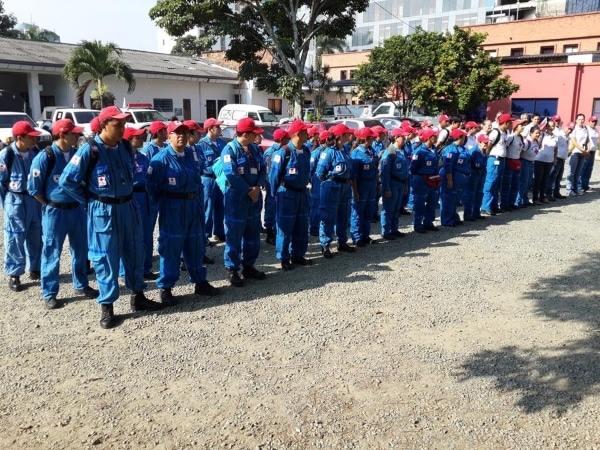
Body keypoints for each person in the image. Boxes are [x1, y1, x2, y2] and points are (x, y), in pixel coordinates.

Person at [59, 106, 163, 329]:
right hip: (103, 212)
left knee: (135, 252)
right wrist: (89, 201)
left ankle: (138, 296)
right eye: (118, 125)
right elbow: (67, 181)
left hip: (128, 207)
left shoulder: (125, 146)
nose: (122, 129)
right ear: (104, 125)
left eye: (124, 124)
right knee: (106, 259)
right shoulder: (90, 149)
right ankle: (107, 307)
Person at [27, 119, 99, 309]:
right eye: (73, 133)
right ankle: (49, 293)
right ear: (62, 135)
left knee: (81, 250)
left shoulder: (76, 155)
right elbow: (34, 189)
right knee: (52, 252)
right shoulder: (45, 157)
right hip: (55, 212)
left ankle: (81, 284)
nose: (77, 136)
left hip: (76, 210)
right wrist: (51, 204)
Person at [146, 121, 219, 305]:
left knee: (195, 246)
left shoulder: (191, 155)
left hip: (193, 207)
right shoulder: (160, 160)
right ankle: (166, 288)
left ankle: (199, 281)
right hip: (173, 209)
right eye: (177, 133)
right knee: (170, 248)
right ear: (168, 136)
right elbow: (151, 189)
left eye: (185, 133)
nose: (182, 136)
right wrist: (166, 205)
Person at [221, 118, 267, 287]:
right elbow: (231, 174)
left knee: (253, 232)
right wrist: (249, 191)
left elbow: (263, 168)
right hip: (237, 197)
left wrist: (258, 186)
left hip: (254, 196)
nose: (257, 136)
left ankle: (249, 265)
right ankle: (232, 269)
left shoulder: (255, 149)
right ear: (246, 134)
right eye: (254, 133)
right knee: (234, 232)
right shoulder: (230, 150)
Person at [0, 122, 43, 292]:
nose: (35, 139)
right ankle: (15, 274)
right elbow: (1, 183)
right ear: (20, 138)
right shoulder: (6, 155)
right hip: (15, 202)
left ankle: (36, 268)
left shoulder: (36, 153)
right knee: (15, 238)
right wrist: (8, 205)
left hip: (34, 201)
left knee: (36, 235)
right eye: (31, 136)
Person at [268, 120, 312, 270]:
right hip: (286, 194)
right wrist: (274, 195)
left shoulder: (306, 151)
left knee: (301, 226)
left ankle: (298, 255)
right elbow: (273, 176)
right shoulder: (283, 152)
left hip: (302, 194)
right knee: (285, 228)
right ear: (298, 134)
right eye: (306, 133)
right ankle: (284, 258)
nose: (308, 135)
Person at [121, 126, 158, 279]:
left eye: (142, 136)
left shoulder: (143, 157)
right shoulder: (123, 157)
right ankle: (125, 272)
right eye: (138, 137)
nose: (142, 139)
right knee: (129, 235)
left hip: (145, 197)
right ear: (129, 140)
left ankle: (146, 268)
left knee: (147, 234)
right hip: (131, 196)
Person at [315, 123, 357, 257]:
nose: (350, 135)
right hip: (332, 186)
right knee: (328, 216)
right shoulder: (329, 152)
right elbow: (320, 173)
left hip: (344, 187)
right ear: (342, 135)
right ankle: (325, 245)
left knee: (343, 215)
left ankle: (342, 242)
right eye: (347, 133)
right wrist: (330, 182)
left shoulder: (344, 149)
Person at [198, 118, 227, 242]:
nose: (220, 129)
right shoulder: (201, 144)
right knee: (207, 208)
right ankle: (205, 236)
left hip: (221, 179)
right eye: (218, 127)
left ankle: (219, 232)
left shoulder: (222, 143)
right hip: (208, 179)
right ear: (210, 129)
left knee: (221, 206)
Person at [350, 127, 379, 246]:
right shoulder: (356, 153)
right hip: (361, 184)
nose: (373, 139)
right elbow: (353, 176)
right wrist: (355, 191)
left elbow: (376, 169)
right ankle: (356, 237)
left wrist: (377, 184)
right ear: (367, 139)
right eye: (372, 137)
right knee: (357, 211)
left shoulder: (372, 151)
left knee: (368, 211)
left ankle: (365, 235)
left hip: (371, 184)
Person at [379, 127, 410, 239]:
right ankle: (386, 231)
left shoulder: (402, 151)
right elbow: (384, 172)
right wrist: (386, 188)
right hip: (392, 183)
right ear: (397, 138)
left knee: (397, 208)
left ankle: (394, 229)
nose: (405, 138)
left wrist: (405, 185)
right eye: (403, 137)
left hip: (401, 184)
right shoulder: (390, 152)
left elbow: (405, 170)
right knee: (388, 208)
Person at [481, 113, 514, 216]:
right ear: (506, 122)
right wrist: (488, 157)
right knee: (491, 183)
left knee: (497, 184)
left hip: (502, 160)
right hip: (494, 159)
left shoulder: (505, 132)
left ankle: (494, 206)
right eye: (510, 122)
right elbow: (488, 146)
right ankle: (485, 207)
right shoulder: (495, 132)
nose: (511, 124)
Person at [410, 128, 441, 233]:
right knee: (420, 202)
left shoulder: (434, 149)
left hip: (433, 178)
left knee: (432, 202)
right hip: (421, 179)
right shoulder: (419, 151)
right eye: (434, 136)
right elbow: (413, 168)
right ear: (429, 138)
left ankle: (428, 222)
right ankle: (418, 224)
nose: (436, 138)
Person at [262, 128, 290, 245]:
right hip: (272, 183)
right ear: (281, 139)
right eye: (287, 138)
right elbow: (268, 171)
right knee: (271, 206)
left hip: (280, 184)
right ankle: (270, 232)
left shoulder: (283, 150)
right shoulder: (271, 152)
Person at [439, 129, 471, 227]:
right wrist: (449, 180)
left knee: (455, 199)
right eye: (463, 136)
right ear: (458, 137)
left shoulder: (463, 148)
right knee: (448, 198)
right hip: (452, 175)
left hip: (461, 177)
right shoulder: (450, 149)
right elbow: (448, 165)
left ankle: (454, 217)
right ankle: (447, 220)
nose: (465, 138)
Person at [309, 130, 332, 236]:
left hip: (326, 181)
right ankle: (313, 228)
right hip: (318, 180)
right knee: (316, 205)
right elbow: (311, 168)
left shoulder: (329, 151)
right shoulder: (317, 152)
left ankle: (322, 226)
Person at [501, 119, 526, 211]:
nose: (523, 127)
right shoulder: (511, 137)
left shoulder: (521, 137)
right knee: (507, 184)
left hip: (517, 161)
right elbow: (505, 148)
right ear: (516, 126)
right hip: (509, 161)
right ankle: (504, 204)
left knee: (515, 183)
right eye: (521, 125)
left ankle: (512, 202)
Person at [462, 134, 488, 221]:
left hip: (481, 173)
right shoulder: (473, 151)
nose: (486, 144)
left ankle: (476, 213)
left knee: (479, 193)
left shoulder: (483, 151)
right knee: (470, 193)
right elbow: (468, 163)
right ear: (479, 142)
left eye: (487, 143)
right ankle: (468, 214)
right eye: (484, 143)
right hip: (474, 173)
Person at [532, 121, 558, 205]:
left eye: (553, 126)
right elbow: (537, 144)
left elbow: (555, 149)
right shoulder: (542, 135)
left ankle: (542, 196)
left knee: (545, 180)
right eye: (549, 126)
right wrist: (540, 133)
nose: (551, 127)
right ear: (546, 127)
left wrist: (555, 158)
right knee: (538, 180)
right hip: (539, 160)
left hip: (549, 161)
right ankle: (535, 198)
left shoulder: (555, 137)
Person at [546, 121, 573, 200]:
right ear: (565, 127)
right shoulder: (559, 135)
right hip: (557, 158)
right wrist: (554, 158)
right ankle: (548, 193)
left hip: (562, 158)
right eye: (569, 128)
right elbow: (555, 147)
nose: (569, 130)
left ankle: (556, 192)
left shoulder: (567, 136)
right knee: (553, 176)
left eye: (571, 129)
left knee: (559, 177)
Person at [566, 113, 590, 197]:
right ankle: (569, 190)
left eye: (582, 119)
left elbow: (587, 140)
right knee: (571, 172)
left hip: (582, 153)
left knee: (578, 172)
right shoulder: (574, 129)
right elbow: (574, 141)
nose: (581, 120)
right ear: (576, 120)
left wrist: (588, 149)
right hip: (575, 152)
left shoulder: (585, 129)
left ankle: (575, 189)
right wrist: (583, 150)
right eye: (579, 119)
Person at [516, 126, 540, 207]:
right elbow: (521, 152)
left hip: (531, 163)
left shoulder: (536, 142)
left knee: (529, 182)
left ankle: (525, 200)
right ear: (531, 133)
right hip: (524, 162)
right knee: (523, 182)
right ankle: (518, 201)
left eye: (539, 133)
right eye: (536, 133)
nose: (538, 134)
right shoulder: (527, 142)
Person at [579, 115, 598, 192]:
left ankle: (585, 185)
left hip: (593, 151)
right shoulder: (586, 129)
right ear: (589, 121)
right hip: (587, 151)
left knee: (589, 169)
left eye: (595, 122)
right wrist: (586, 150)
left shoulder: (595, 129)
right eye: (592, 121)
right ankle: (579, 186)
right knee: (583, 168)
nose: (594, 123)